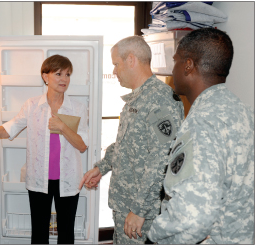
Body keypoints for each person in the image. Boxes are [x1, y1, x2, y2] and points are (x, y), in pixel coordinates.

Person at [147, 28, 255, 244]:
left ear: (188, 65)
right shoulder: (244, 112)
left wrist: (155, 237)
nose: (172, 69)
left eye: (175, 60)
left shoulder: (201, 123)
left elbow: (192, 217)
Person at [79, 36, 184, 244]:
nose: (114, 71)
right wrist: (102, 167)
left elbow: (162, 159)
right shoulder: (138, 98)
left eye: (116, 64)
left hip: (140, 213)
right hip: (125, 204)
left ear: (131, 60)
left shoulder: (159, 99)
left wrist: (139, 210)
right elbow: (126, 144)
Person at [0, 55, 88, 244]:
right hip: (38, 179)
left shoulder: (77, 108)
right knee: (39, 233)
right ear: (45, 76)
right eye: (58, 74)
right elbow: (6, 129)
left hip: (68, 179)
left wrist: (62, 127)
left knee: (66, 233)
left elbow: (82, 145)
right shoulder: (32, 105)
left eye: (67, 74)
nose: (64, 79)